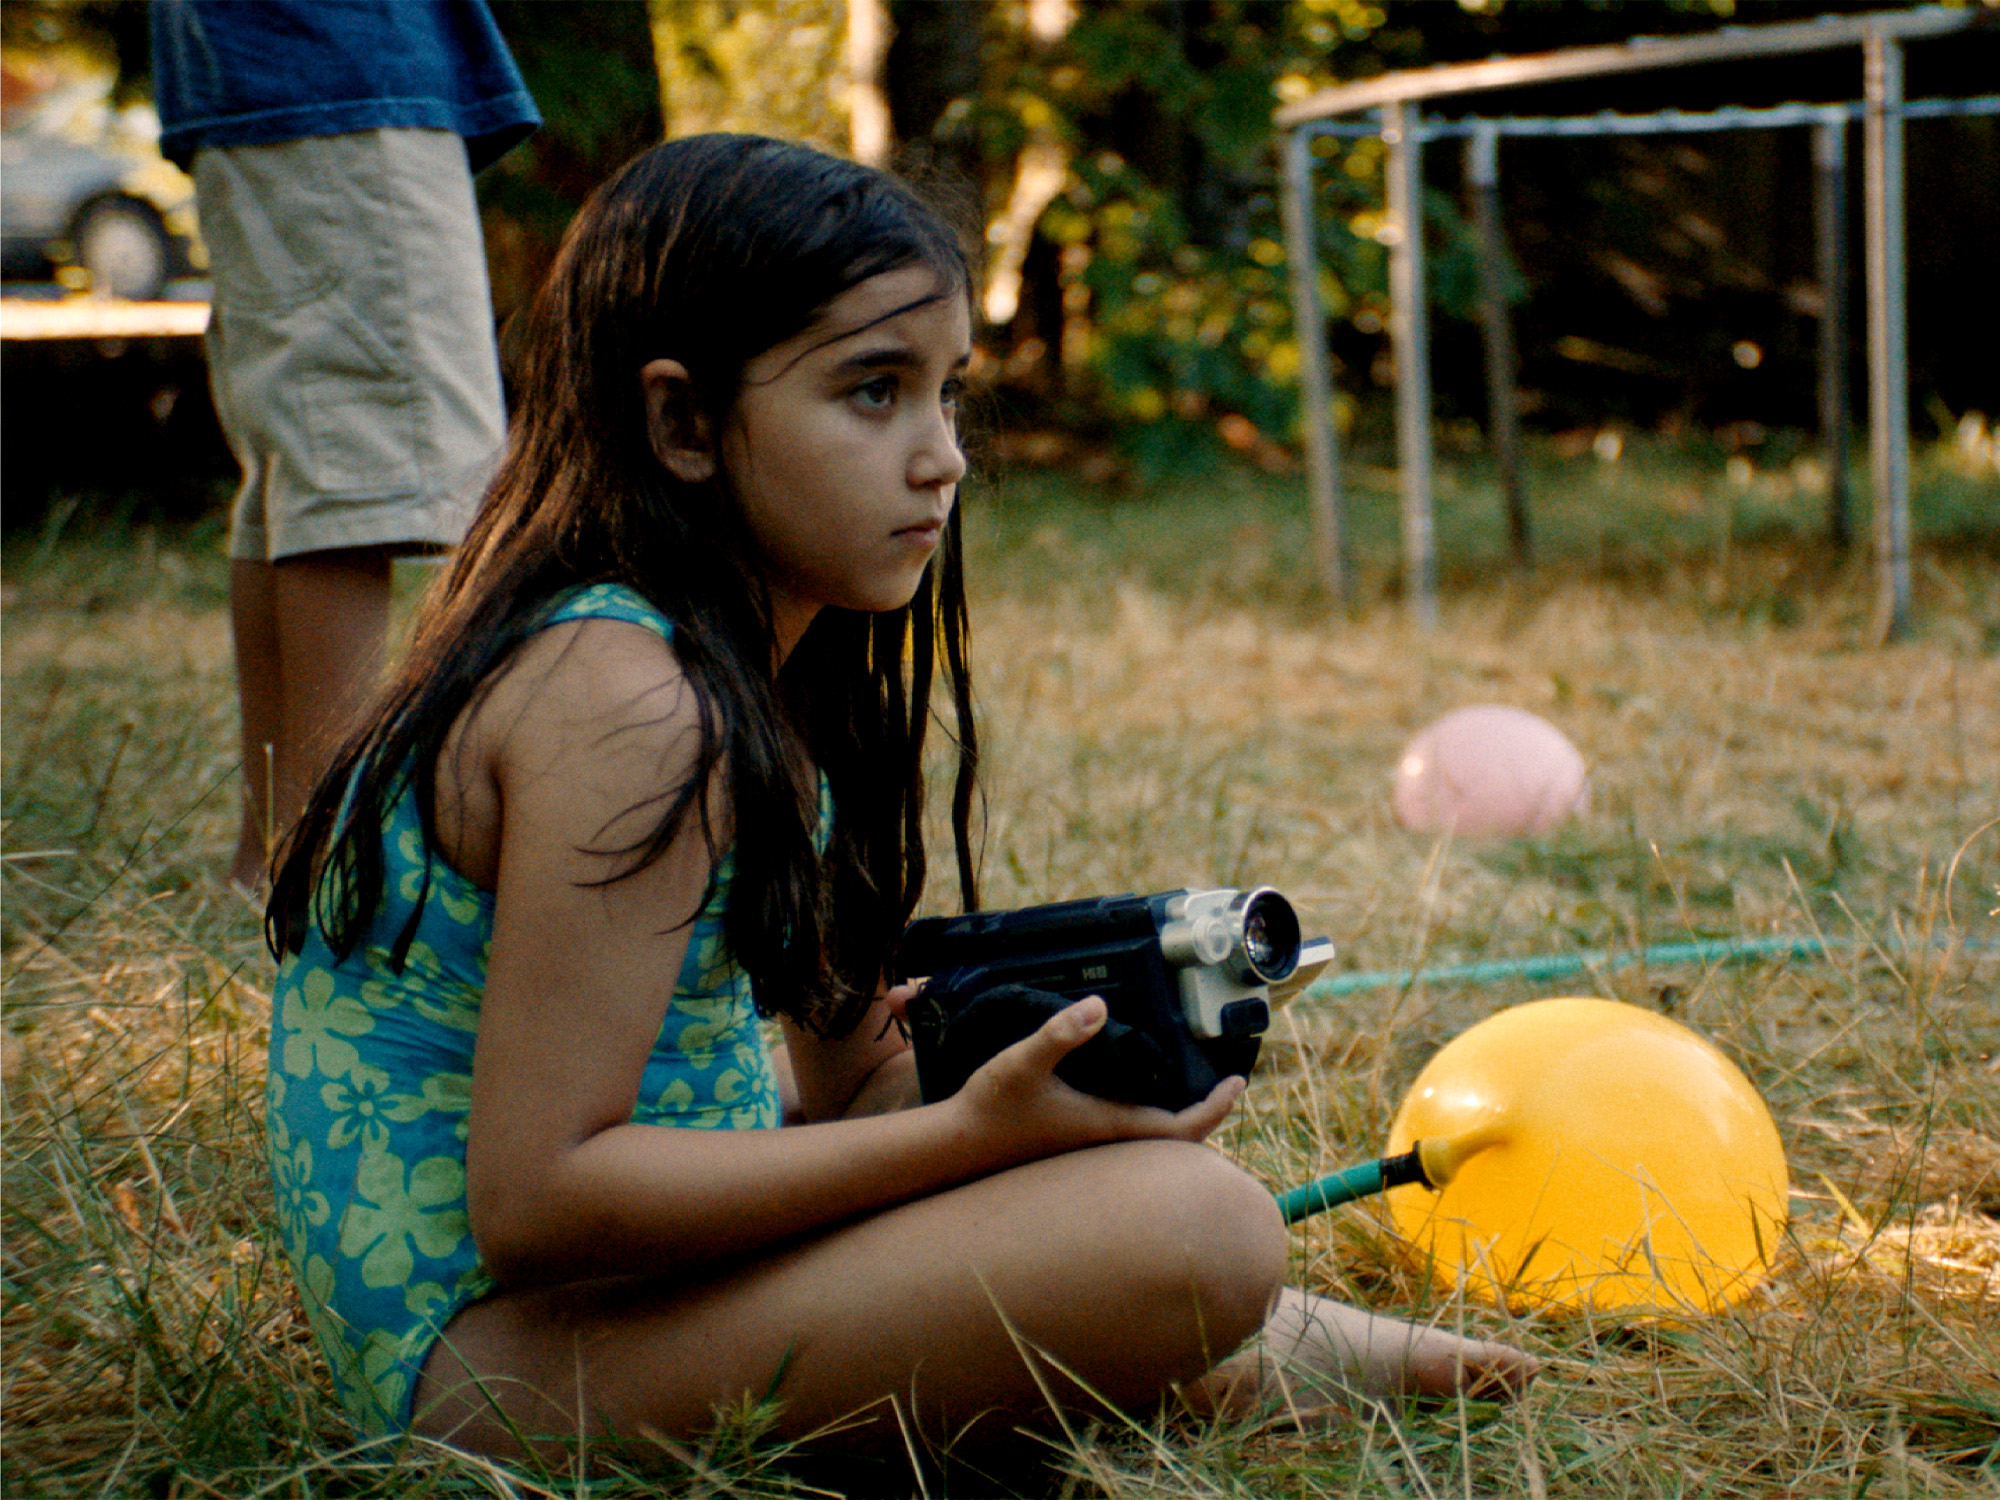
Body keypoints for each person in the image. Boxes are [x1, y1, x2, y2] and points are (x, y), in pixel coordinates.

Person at [263, 134, 1536, 1473]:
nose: (943, 459)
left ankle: (1184, 1338)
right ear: (682, 424)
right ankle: (1192, 1342)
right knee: (1199, 1229)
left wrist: (1064, 1048)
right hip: (494, 1371)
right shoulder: (627, 705)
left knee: (1139, 1199)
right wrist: (967, 1142)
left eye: (946, 395)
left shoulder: (765, 674)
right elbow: (542, 1199)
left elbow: (853, 1081)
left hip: (618, 1297)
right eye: (874, 393)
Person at [149, 0, 540, 892]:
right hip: (338, 75)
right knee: (349, 484)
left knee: (302, 472)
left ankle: (284, 851)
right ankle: (333, 863)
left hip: (281, 77)